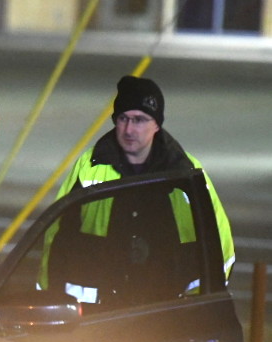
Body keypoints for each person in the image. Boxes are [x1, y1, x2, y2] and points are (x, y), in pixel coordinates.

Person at [42, 75, 234, 303]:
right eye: (123, 118)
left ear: (157, 124)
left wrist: (203, 304)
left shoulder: (186, 171)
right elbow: (56, 234)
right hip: (100, 309)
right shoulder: (89, 166)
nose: (129, 129)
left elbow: (219, 242)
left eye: (140, 119)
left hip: (168, 308)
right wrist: (51, 299)